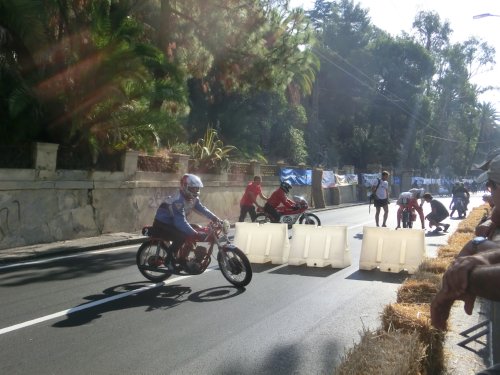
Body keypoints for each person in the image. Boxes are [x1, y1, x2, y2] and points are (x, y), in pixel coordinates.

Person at [152, 174, 221, 270]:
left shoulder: (193, 198)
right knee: (182, 235)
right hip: (163, 224)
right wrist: (195, 233)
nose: (195, 191)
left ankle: (182, 258)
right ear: (185, 187)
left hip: (173, 223)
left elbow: (202, 209)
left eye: (197, 189)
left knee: (196, 227)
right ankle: (168, 260)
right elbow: (179, 221)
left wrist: (215, 218)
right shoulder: (178, 200)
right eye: (193, 189)